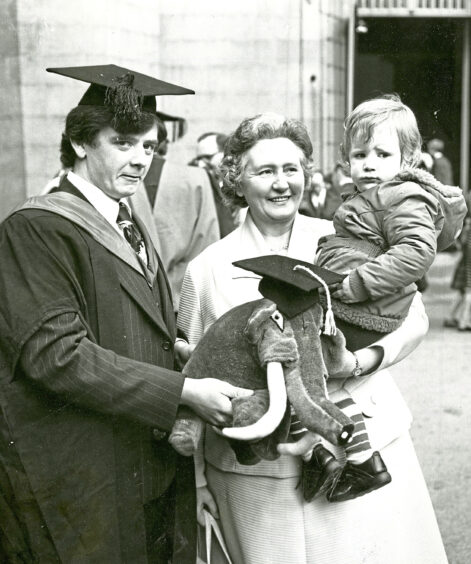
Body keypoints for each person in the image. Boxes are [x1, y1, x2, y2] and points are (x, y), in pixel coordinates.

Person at [0, 64, 252, 563]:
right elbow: (56, 356)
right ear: (79, 142)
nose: (140, 159)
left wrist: (182, 353)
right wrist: (184, 390)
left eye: (149, 147)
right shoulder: (37, 228)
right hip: (79, 472)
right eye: (123, 142)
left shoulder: (126, 220)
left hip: (142, 460)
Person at [177, 112, 448, 563]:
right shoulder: (206, 268)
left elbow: (414, 318)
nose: (282, 183)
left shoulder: (344, 234)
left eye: (292, 169)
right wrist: (199, 483)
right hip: (257, 472)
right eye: (264, 171)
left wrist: (359, 362)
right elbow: (195, 374)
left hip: (361, 447)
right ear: (235, 180)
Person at [315, 95, 466, 498]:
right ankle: (322, 451)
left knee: (298, 357)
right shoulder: (368, 197)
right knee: (301, 364)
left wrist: (356, 283)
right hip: (362, 301)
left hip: (371, 306)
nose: (369, 163)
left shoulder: (402, 196)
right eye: (360, 153)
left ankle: (357, 460)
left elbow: (417, 250)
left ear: (408, 159)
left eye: (383, 153)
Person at [189, 132, 239, 236]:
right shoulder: (198, 183)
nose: (201, 164)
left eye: (207, 157)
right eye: (198, 159)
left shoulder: (242, 183)